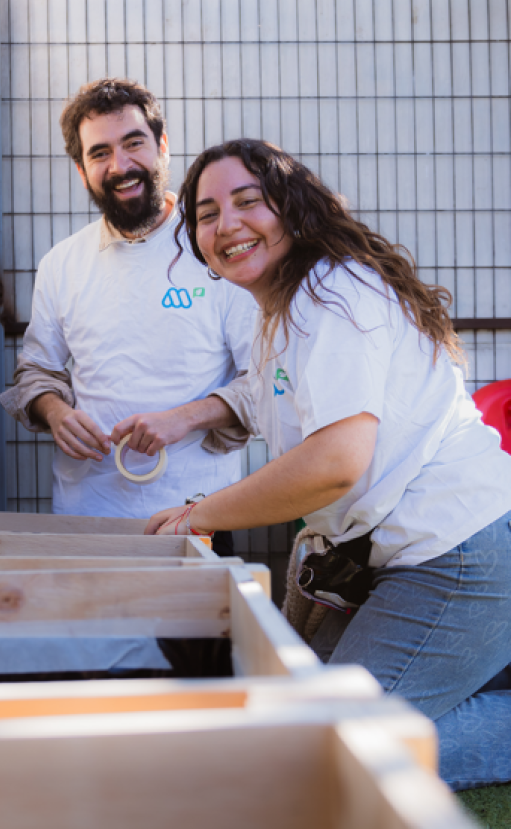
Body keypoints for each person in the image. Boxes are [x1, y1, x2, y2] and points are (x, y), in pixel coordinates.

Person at [146, 138, 511, 791]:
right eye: (206, 213)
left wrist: (196, 517)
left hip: (455, 552)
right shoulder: (279, 308)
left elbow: (336, 463)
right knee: (293, 708)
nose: (226, 224)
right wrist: (181, 420)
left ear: (291, 206)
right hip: (395, 558)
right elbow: (263, 395)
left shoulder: (333, 293)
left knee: (314, 751)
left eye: (247, 201)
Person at [0, 80, 256, 552]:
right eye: (99, 154)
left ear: (162, 147)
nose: (120, 166)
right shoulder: (61, 263)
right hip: (85, 518)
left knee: (192, 629)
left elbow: (264, 381)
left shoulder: (218, 249)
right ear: (82, 171)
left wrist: (185, 418)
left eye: (133, 144)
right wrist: (56, 412)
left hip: (196, 517)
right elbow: (35, 372)